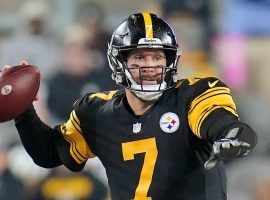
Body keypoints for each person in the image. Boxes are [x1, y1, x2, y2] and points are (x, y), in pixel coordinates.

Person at [1, 13, 257, 200]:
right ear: (119, 62)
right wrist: (24, 111)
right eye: (139, 57)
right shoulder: (96, 111)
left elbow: (220, 122)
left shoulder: (194, 94)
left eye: (157, 57)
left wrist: (231, 134)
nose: (149, 66)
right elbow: (49, 154)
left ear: (170, 61)